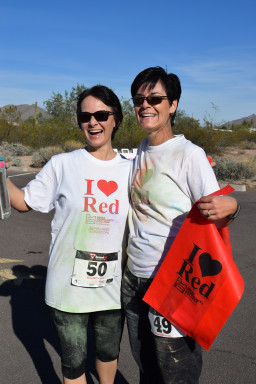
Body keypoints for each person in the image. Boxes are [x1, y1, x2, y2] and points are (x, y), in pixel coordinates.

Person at [121, 66, 240, 384]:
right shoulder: (142, 151)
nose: (145, 105)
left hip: (172, 281)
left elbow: (218, 208)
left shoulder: (190, 155)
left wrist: (234, 206)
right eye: (138, 99)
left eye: (155, 98)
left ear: (172, 104)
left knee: (176, 371)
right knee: (146, 365)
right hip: (135, 279)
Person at [7, 85, 131, 384]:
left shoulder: (133, 169)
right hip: (68, 290)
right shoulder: (62, 165)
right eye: (85, 116)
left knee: (107, 352)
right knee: (73, 362)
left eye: (101, 114)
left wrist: (227, 203)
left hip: (113, 286)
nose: (93, 122)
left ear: (116, 119)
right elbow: (24, 202)